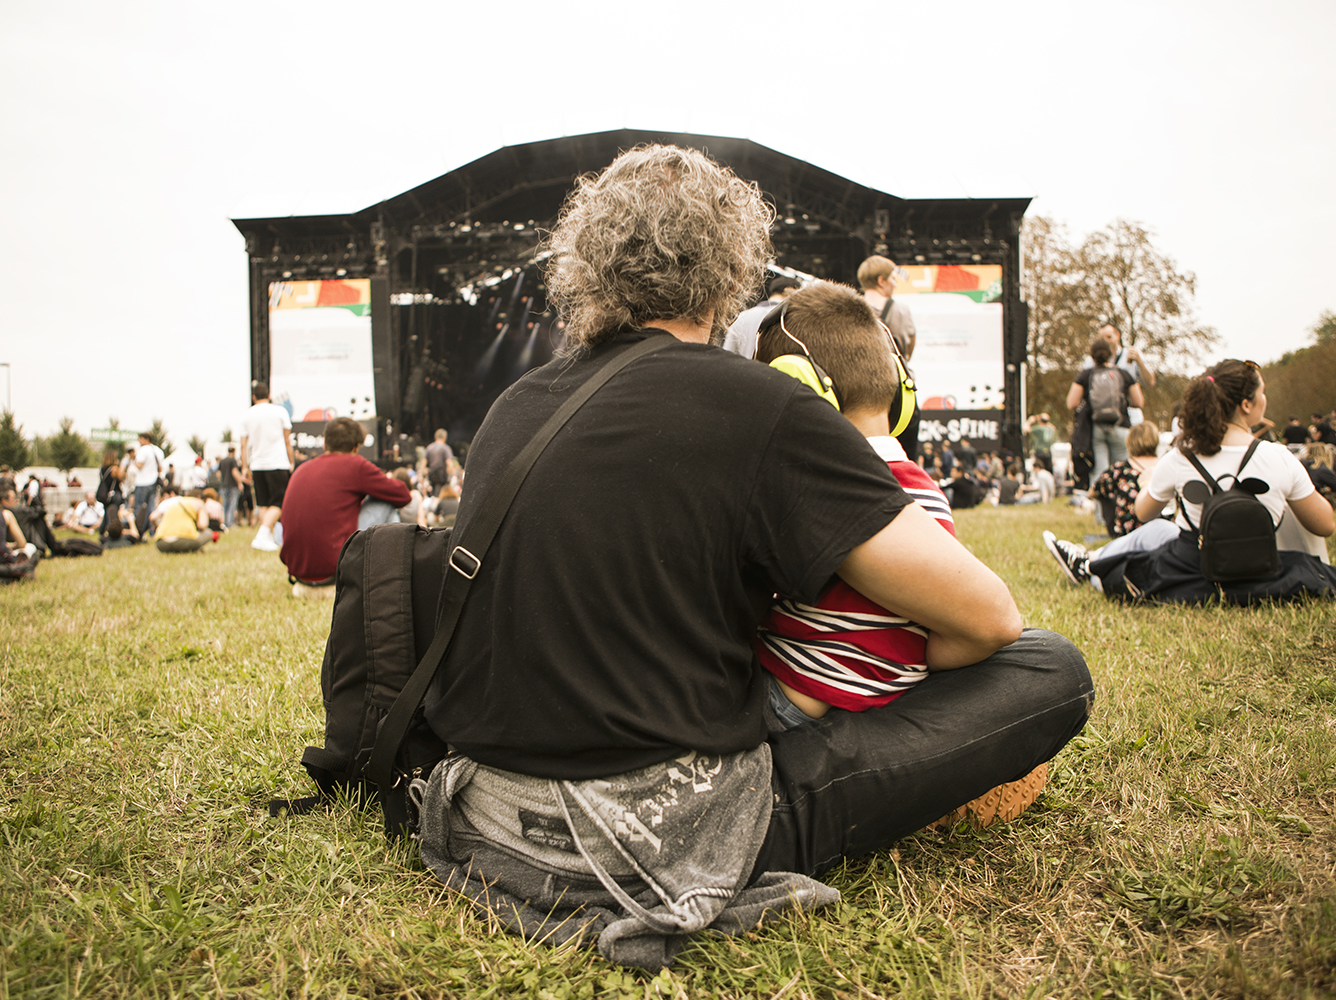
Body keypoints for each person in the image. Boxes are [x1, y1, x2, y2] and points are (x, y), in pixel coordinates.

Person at [413, 144, 1092, 968]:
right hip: (648, 841)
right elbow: (987, 615)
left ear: (585, 265)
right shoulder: (762, 404)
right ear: (731, 264)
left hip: (485, 811)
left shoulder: (515, 405)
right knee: (1049, 668)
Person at [749, 281, 958, 728]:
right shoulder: (929, 494)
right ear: (901, 392)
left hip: (790, 701)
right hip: (889, 698)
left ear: (798, 389)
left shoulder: (810, 492)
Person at [1047, 360, 1336, 603]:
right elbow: (1324, 525)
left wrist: (1150, 480)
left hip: (1190, 569)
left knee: (1133, 560)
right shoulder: (1279, 457)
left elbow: (1143, 514)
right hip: (1261, 568)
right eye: (1262, 392)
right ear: (1246, 405)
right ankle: (1085, 562)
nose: (1265, 398)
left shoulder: (1181, 457)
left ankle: (1087, 564)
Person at [277, 416, 413, 596]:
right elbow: (403, 495)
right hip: (336, 574)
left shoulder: (302, 469)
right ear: (356, 447)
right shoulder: (355, 465)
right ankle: (395, 576)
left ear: (325, 444)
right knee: (386, 501)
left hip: (300, 576)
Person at [1068, 335, 1143, 484]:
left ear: (1092, 356)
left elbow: (1071, 402)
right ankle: (1120, 504)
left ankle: (1101, 506)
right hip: (1121, 426)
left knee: (1100, 471)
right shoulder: (1124, 374)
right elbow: (1138, 402)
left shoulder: (1086, 375)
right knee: (1122, 471)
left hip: (1096, 428)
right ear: (1111, 354)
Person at [240, 381, 296, 551]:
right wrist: (291, 461)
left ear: (253, 397)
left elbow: (243, 445)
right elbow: (287, 441)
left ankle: (266, 539)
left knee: (263, 504)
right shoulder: (280, 412)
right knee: (279, 503)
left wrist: (244, 466)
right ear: (269, 395)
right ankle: (262, 534)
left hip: (257, 465)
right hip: (278, 463)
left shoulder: (247, 415)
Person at [1087, 421, 1163, 537]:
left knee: (1104, 491)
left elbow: (1092, 492)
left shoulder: (1120, 470)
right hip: (1162, 530)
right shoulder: (1165, 467)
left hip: (1128, 532)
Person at [1086, 323, 1155, 424]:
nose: (1106, 341)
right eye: (1102, 338)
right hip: (1101, 418)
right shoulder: (1091, 361)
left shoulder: (1131, 355)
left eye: (1109, 337)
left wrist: (1140, 362)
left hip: (1131, 418)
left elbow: (1150, 382)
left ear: (1117, 336)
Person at [721, 275, 801, 358]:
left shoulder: (742, 317)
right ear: (793, 294)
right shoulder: (791, 321)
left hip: (740, 370)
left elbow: (727, 353)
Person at [150, 489, 210, 553]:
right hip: (182, 540)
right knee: (208, 532)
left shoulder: (175, 502)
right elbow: (202, 525)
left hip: (161, 543)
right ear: (199, 497)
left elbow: (152, 517)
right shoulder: (198, 502)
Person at [129, 432, 167, 522]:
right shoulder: (158, 450)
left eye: (141, 439)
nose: (139, 442)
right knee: (152, 507)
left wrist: (133, 460)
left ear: (146, 439)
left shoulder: (143, 450)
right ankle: (152, 529)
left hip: (142, 482)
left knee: (140, 507)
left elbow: (139, 465)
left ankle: (139, 528)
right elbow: (161, 468)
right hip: (153, 482)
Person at [217, 445, 242, 527]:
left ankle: (225, 522)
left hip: (223, 485)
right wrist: (240, 482)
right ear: (234, 451)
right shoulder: (233, 460)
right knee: (232, 504)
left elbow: (218, 474)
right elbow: (234, 471)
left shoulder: (222, 461)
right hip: (232, 485)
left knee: (225, 505)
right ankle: (230, 523)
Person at [423, 429, 453, 497]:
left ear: (435, 437)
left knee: (433, 493)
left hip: (432, 475)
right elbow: (449, 463)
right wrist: (452, 474)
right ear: (445, 438)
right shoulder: (446, 448)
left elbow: (424, 462)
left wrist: (422, 475)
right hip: (442, 475)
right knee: (441, 494)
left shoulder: (429, 447)